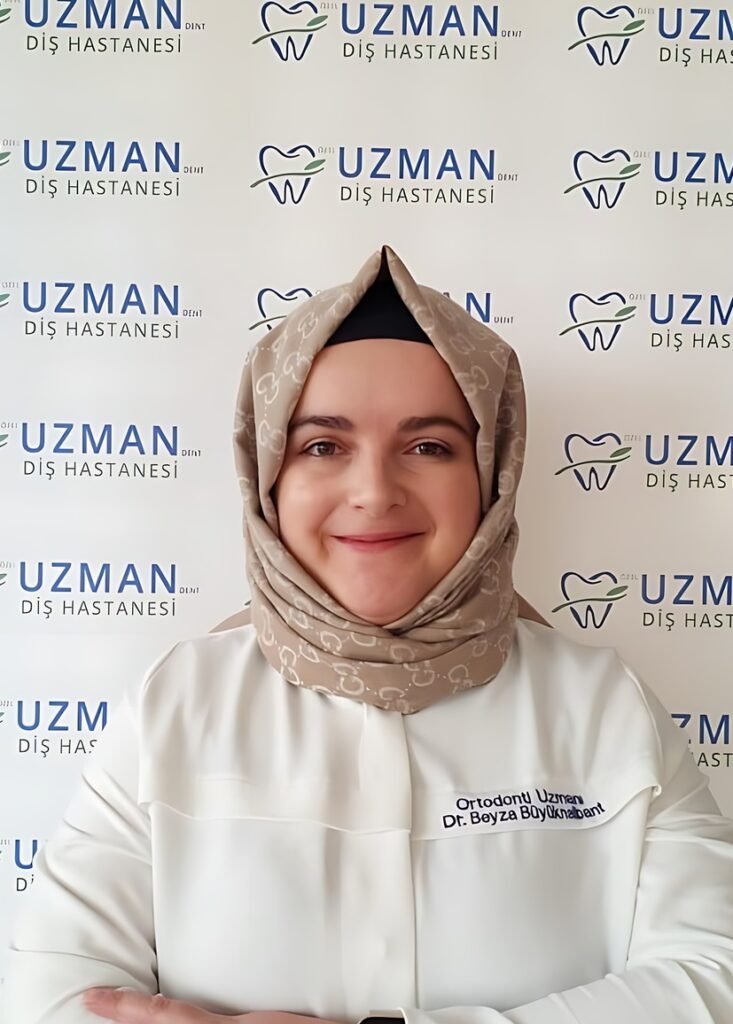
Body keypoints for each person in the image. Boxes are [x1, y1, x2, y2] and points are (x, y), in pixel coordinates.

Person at [4, 244, 733, 1024]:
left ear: (490, 475)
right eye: (323, 446)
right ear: (268, 476)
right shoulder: (176, 702)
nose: (374, 491)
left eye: (429, 446)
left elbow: (711, 978)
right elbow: (55, 996)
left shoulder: (604, 705)